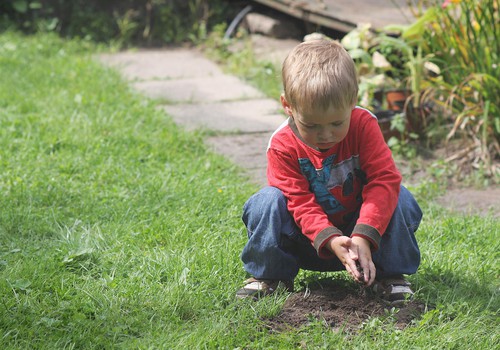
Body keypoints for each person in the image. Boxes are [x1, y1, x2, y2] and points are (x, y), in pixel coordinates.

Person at [236, 39, 422, 306]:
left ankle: (390, 277)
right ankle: (271, 277)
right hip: (306, 241)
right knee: (265, 201)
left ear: (353, 101)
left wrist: (363, 234)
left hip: (365, 243)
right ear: (288, 105)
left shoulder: (364, 125)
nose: (325, 135)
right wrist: (331, 238)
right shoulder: (282, 145)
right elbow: (297, 201)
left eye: (337, 123)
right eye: (311, 125)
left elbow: (384, 180)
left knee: (399, 196)